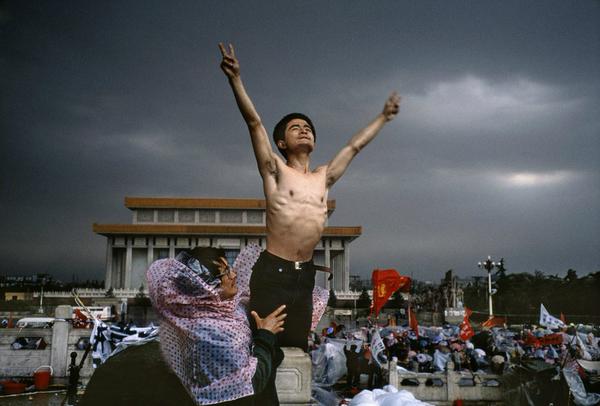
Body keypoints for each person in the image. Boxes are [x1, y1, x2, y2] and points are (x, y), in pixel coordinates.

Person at [218, 42, 401, 353]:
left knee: (296, 352)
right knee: (262, 348)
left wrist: (382, 117)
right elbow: (254, 123)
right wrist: (236, 79)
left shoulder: (323, 177)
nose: (303, 130)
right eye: (295, 128)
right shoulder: (274, 169)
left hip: (304, 276)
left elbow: (354, 146)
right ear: (281, 142)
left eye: (308, 128)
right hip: (273, 271)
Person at [145, 245, 286, 405]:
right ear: (205, 285)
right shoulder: (209, 331)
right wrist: (266, 336)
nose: (234, 275)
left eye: (230, 268)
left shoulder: (216, 309)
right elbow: (251, 383)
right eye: (225, 273)